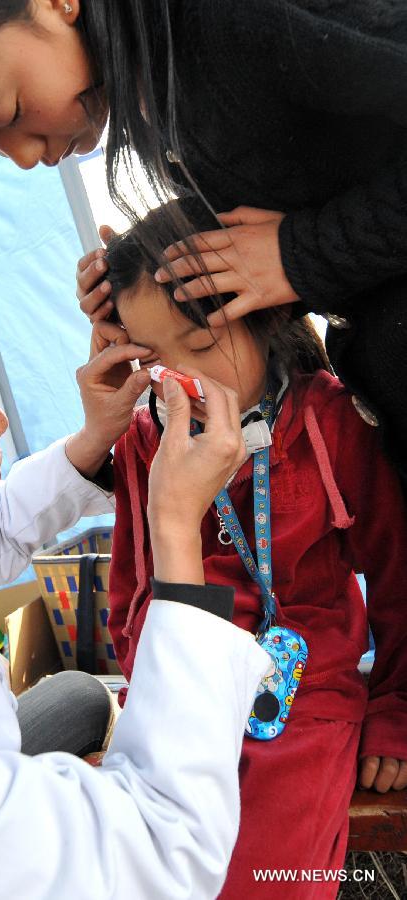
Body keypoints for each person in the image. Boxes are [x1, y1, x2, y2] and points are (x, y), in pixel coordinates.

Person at [0, 225, 271, 899]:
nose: (2, 418)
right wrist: (175, 526)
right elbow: (164, 851)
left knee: (75, 694)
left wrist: (98, 437)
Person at [0, 0, 405, 487]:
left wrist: (304, 254)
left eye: (6, 112)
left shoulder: (236, 19)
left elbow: (303, 241)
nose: (26, 157)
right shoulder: (156, 82)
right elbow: (317, 194)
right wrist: (141, 280)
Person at [94, 199, 407, 899]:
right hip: (186, 687)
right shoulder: (150, 438)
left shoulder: (334, 421)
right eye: (154, 357)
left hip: (306, 694)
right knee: (147, 858)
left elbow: (396, 579)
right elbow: (131, 587)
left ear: (265, 315)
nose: (182, 382)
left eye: (201, 347)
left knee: (264, 869)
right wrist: (150, 695)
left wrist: (395, 710)